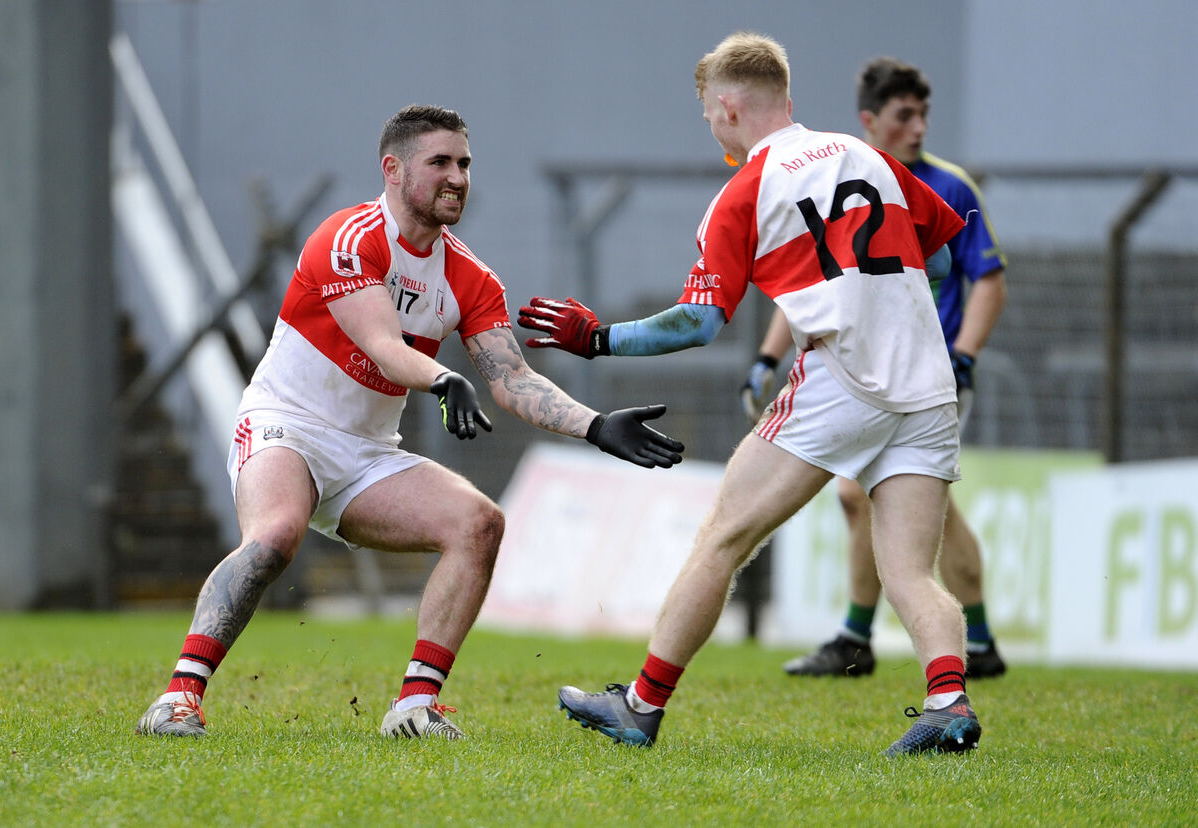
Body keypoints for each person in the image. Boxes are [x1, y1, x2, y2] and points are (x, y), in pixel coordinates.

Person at [134, 104, 684, 741]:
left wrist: (595, 425)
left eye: (465, 164)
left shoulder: (471, 277)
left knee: (479, 524)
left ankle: (415, 709)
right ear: (392, 170)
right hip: (287, 426)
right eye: (440, 162)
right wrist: (442, 378)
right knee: (276, 535)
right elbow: (382, 346)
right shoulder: (348, 237)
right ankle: (177, 699)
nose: (458, 177)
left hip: (368, 454)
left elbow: (512, 379)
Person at [519, 32, 981, 755]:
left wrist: (597, 338)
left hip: (843, 379)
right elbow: (945, 261)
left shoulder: (745, 191)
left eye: (709, 114)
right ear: (786, 98)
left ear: (728, 108)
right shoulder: (866, 157)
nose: (711, 127)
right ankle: (948, 702)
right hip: (927, 383)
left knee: (723, 538)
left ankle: (640, 706)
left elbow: (697, 322)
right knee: (909, 571)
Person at [741, 57, 1008, 681]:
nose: (919, 127)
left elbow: (989, 281)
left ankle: (859, 638)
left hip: (926, 374)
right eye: (904, 115)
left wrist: (965, 356)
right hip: (865, 372)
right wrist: (767, 357)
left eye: (924, 115)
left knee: (868, 494)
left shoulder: (951, 187)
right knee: (904, 503)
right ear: (869, 119)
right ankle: (968, 641)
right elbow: (813, 282)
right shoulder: (846, 175)